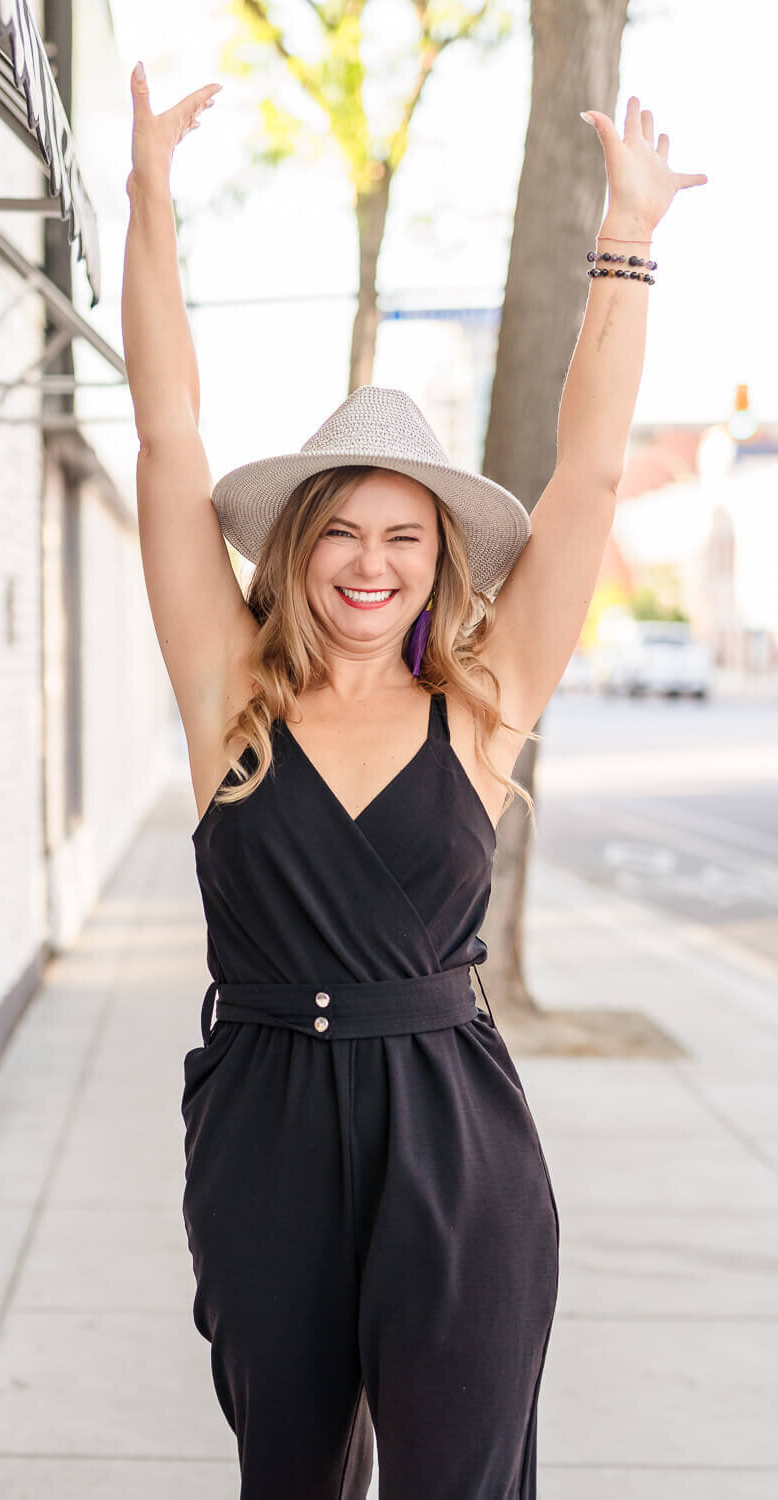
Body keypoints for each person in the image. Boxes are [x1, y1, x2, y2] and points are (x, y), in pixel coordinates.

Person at [121, 59, 706, 1500]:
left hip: (454, 1131)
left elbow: (585, 484)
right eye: (343, 532)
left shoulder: (487, 703)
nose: (372, 562)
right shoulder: (228, 703)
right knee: (293, 1476)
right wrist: (146, 200)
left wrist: (627, 245)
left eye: (406, 536)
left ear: (442, 561)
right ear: (298, 546)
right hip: (265, 1126)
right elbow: (165, 435)